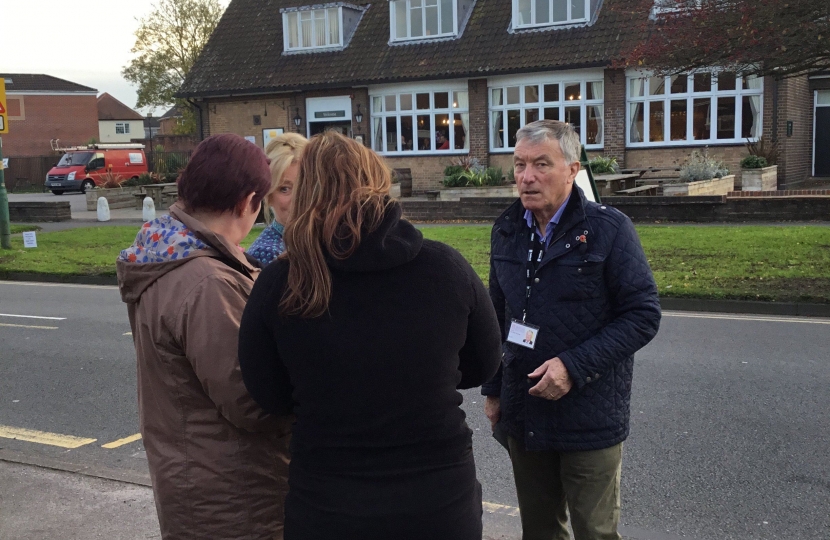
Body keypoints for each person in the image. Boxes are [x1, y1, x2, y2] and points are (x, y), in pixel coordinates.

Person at [237, 131, 502, 540]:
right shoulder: (445, 269)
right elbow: (483, 363)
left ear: (307, 190)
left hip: (327, 503)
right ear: (378, 183)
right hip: (438, 502)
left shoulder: (280, 283)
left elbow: (268, 394)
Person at [482, 120, 661, 540]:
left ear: (572, 169)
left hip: (589, 413)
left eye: (541, 164)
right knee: (540, 530)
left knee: (595, 532)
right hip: (524, 408)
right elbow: (496, 314)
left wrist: (572, 367)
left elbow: (643, 314)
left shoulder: (609, 229)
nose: (526, 177)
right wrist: (492, 388)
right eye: (519, 165)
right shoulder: (507, 230)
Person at [116, 133, 291, 540]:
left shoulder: (166, 253)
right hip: (234, 497)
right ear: (248, 201)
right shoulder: (207, 282)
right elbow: (252, 401)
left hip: (196, 481)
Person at [247, 133, 308, 266]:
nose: (297, 198)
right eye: (284, 189)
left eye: (304, 185)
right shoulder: (267, 254)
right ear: (268, 196)